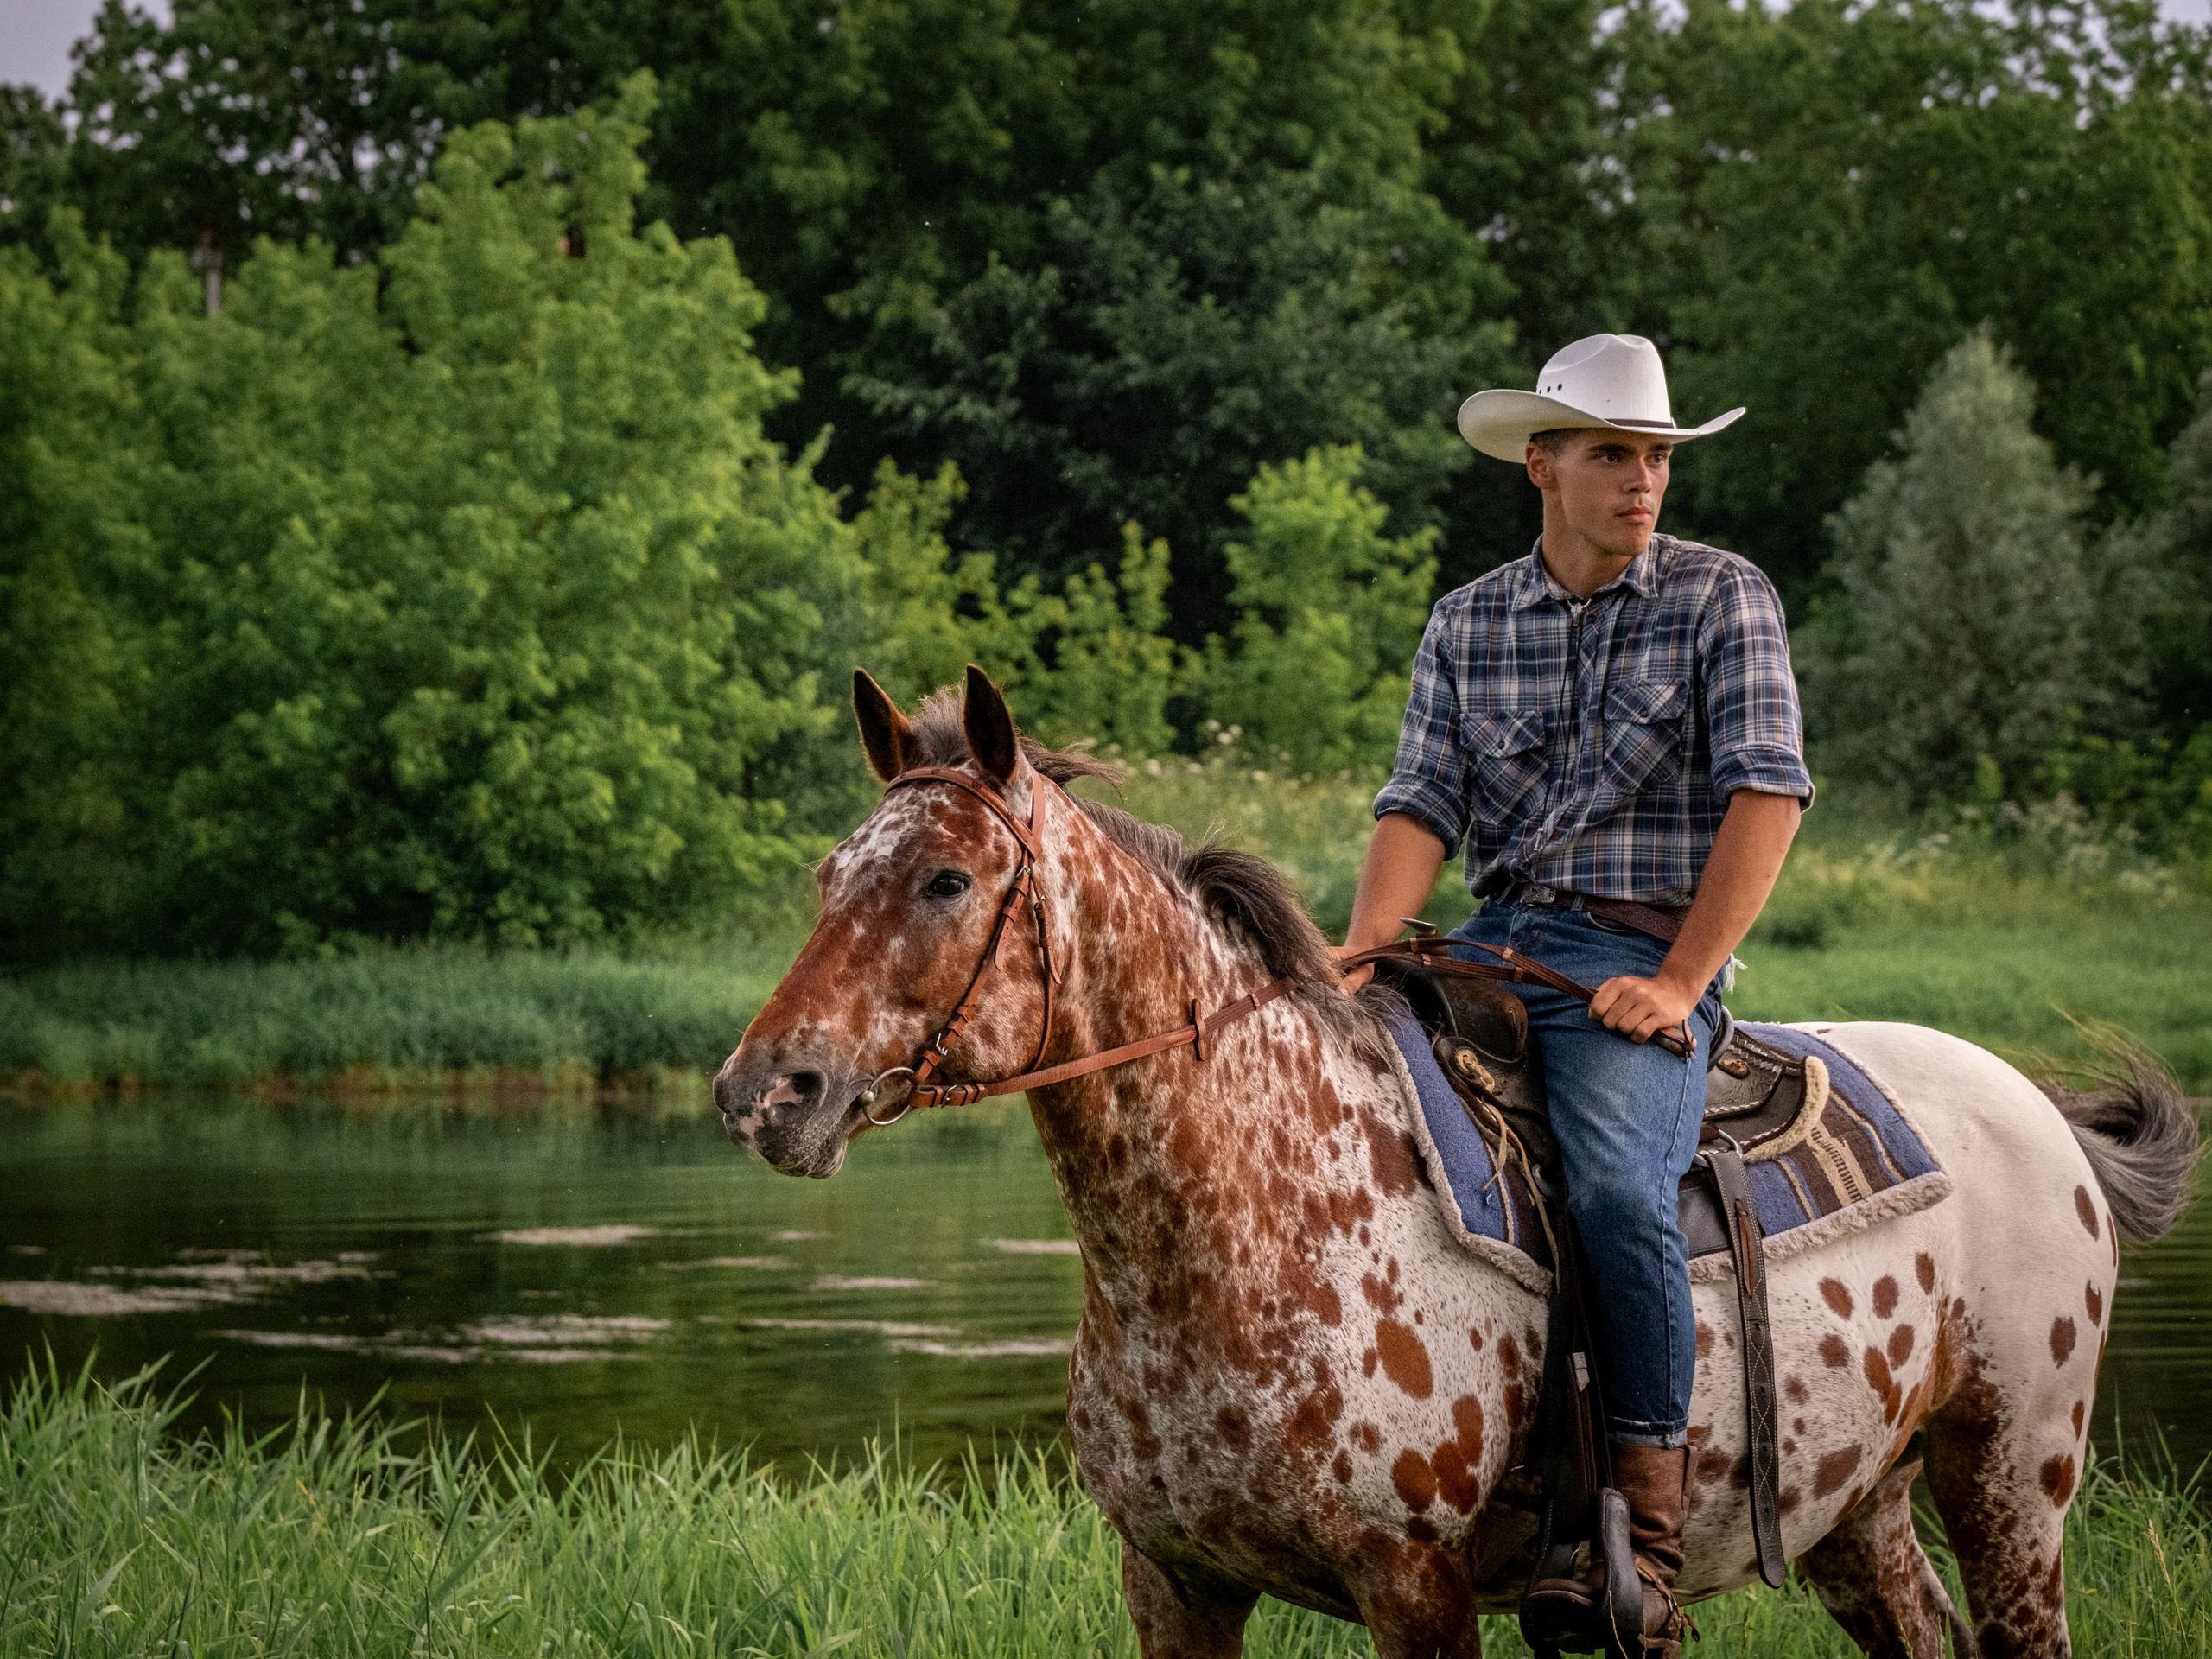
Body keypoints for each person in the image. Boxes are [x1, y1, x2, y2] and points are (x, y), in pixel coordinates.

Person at [1337, 334, 1813, 1656]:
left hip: (1638, 951)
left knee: (1612, 1189)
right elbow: (1421, 802)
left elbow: (1767, 795)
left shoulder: (1722, 598)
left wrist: (1679, 982)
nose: (1642, 480)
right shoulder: (1469, 620)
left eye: (1656, 457)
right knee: (1337, 1118)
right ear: (1540, 464)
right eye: (1613, 454)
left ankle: (1643, 1541)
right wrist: (1366, 948)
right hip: (1490, 944)